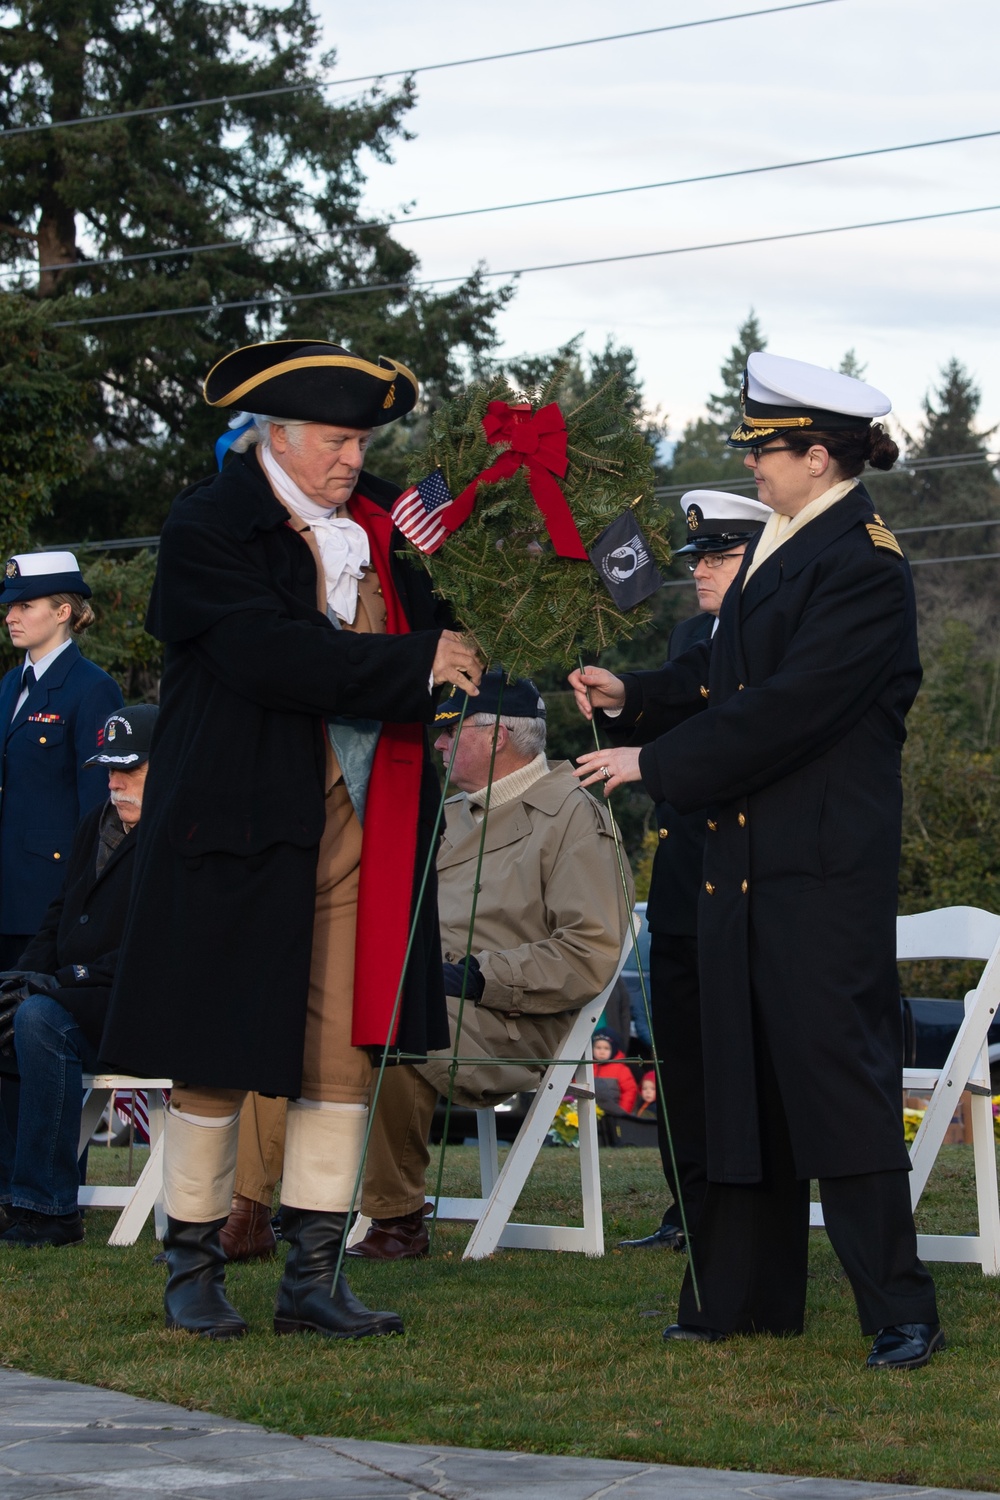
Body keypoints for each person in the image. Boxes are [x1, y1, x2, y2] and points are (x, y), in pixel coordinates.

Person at [99, 339, 482, 1341]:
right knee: (212, 1050)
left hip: (363, 819)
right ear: (276, 433)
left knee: (341, 1055)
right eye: (334, 438)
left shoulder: (381, 527)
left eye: (360, 439)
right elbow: (264, 654)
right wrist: (410, 661)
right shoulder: (208, 524)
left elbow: (439, 614)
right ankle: (193, 1267)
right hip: (235, 821)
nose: (351, 457)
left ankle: (313, 1277)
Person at [571, 352, 942, 1371]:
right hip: (745, 863)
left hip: (817, 871)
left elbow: (788, 710)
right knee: (738, 1086)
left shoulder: (862, 563)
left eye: (765, 451)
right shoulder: (786, 545)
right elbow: (723, 685)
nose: (754, 467)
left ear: (818, 457)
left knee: (836, 1085)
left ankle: (898, 1310)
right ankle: (739, 1299)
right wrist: (635, 701)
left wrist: (653, 759)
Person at [347, 670, 634, 1260]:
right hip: (439, 998)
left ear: (499, 734)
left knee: (393, 1018)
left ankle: (396, 1220)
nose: (438, 744)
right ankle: (273, 1206)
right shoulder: (453, 813)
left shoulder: (573, 814)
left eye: (451, 732)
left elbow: (590, 951)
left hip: (513, 1019)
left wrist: (478, 976)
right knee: (324, 1006)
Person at [619, 491, 768, 1253]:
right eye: (697, 559)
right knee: (677, 1052)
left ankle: (743, 1214)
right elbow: (667, 718)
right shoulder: (689, 633)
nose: (701, 572)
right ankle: (689, 1205)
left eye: (720, 556)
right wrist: (618, 705)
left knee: (739, 1052)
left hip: (751, 873)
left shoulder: (778, 634)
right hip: (683, 869)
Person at [0, 705, 156, 1247]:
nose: (114, 784)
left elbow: (153, 949)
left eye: (129, 771)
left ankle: (51, 1210)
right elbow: (57, 915)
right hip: (79, 1002)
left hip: (137, 1010)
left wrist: (61, 980)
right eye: (109, 770)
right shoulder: (95, 823)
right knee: (11, 1008)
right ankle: (10, 1200)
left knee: (38, 1017)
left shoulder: (176, 838)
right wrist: (19, 978)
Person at [0, 551, 123, 1163]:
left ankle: (35, 1188)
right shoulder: (9, 688)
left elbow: (96, 814)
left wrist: (76, 911)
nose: (12, 616)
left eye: (25, 605)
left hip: (45, 905)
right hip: (5, 897)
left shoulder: (91, 688)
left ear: (65, 611)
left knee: (27, 1044)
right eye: (10, 606)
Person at [591, 1027, 639, 1115]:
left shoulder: (621, 1069)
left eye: (606, 1048)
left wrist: (622, 1112)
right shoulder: (586, 1067)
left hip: (613, 1115)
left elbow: (630, 1092)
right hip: (589, 1114)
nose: (602, 1052)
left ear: (613, 1049)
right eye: (598, 1047)